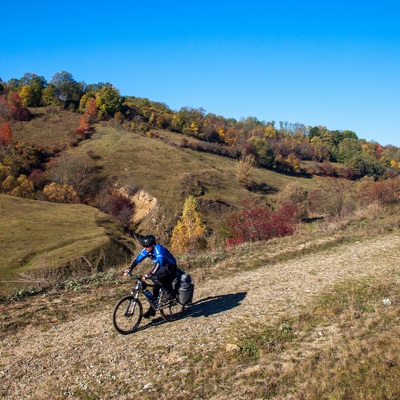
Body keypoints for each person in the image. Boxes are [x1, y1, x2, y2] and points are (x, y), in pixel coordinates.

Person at [123, 234, 177, 318]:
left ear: (153, 244)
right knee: (155, 288)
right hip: (161, 266)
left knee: (154, 277)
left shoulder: (159, 250)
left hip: (169, 266)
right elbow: (137, 260)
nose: (145, 248)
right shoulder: (146, 250)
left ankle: (168, 292)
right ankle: (152, 310)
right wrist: (129, 269)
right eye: (144, 246)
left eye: (147, 246)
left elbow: (159, 264)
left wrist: (149, 275)